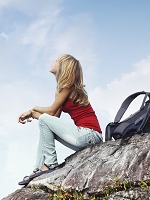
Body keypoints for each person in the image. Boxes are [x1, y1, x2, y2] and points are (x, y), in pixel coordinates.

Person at [17, 54, 102, 186]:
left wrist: (33, 109)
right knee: (45, 123)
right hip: (84, 138)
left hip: (90, 135)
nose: (53, 61)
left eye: (56, 60)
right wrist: (32, 114)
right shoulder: (61, 90)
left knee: (44, 119)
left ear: (63, 67)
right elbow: (53, 119)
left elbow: (50, 112)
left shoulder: (68, 87)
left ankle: (50, 163)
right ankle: (38, 168)